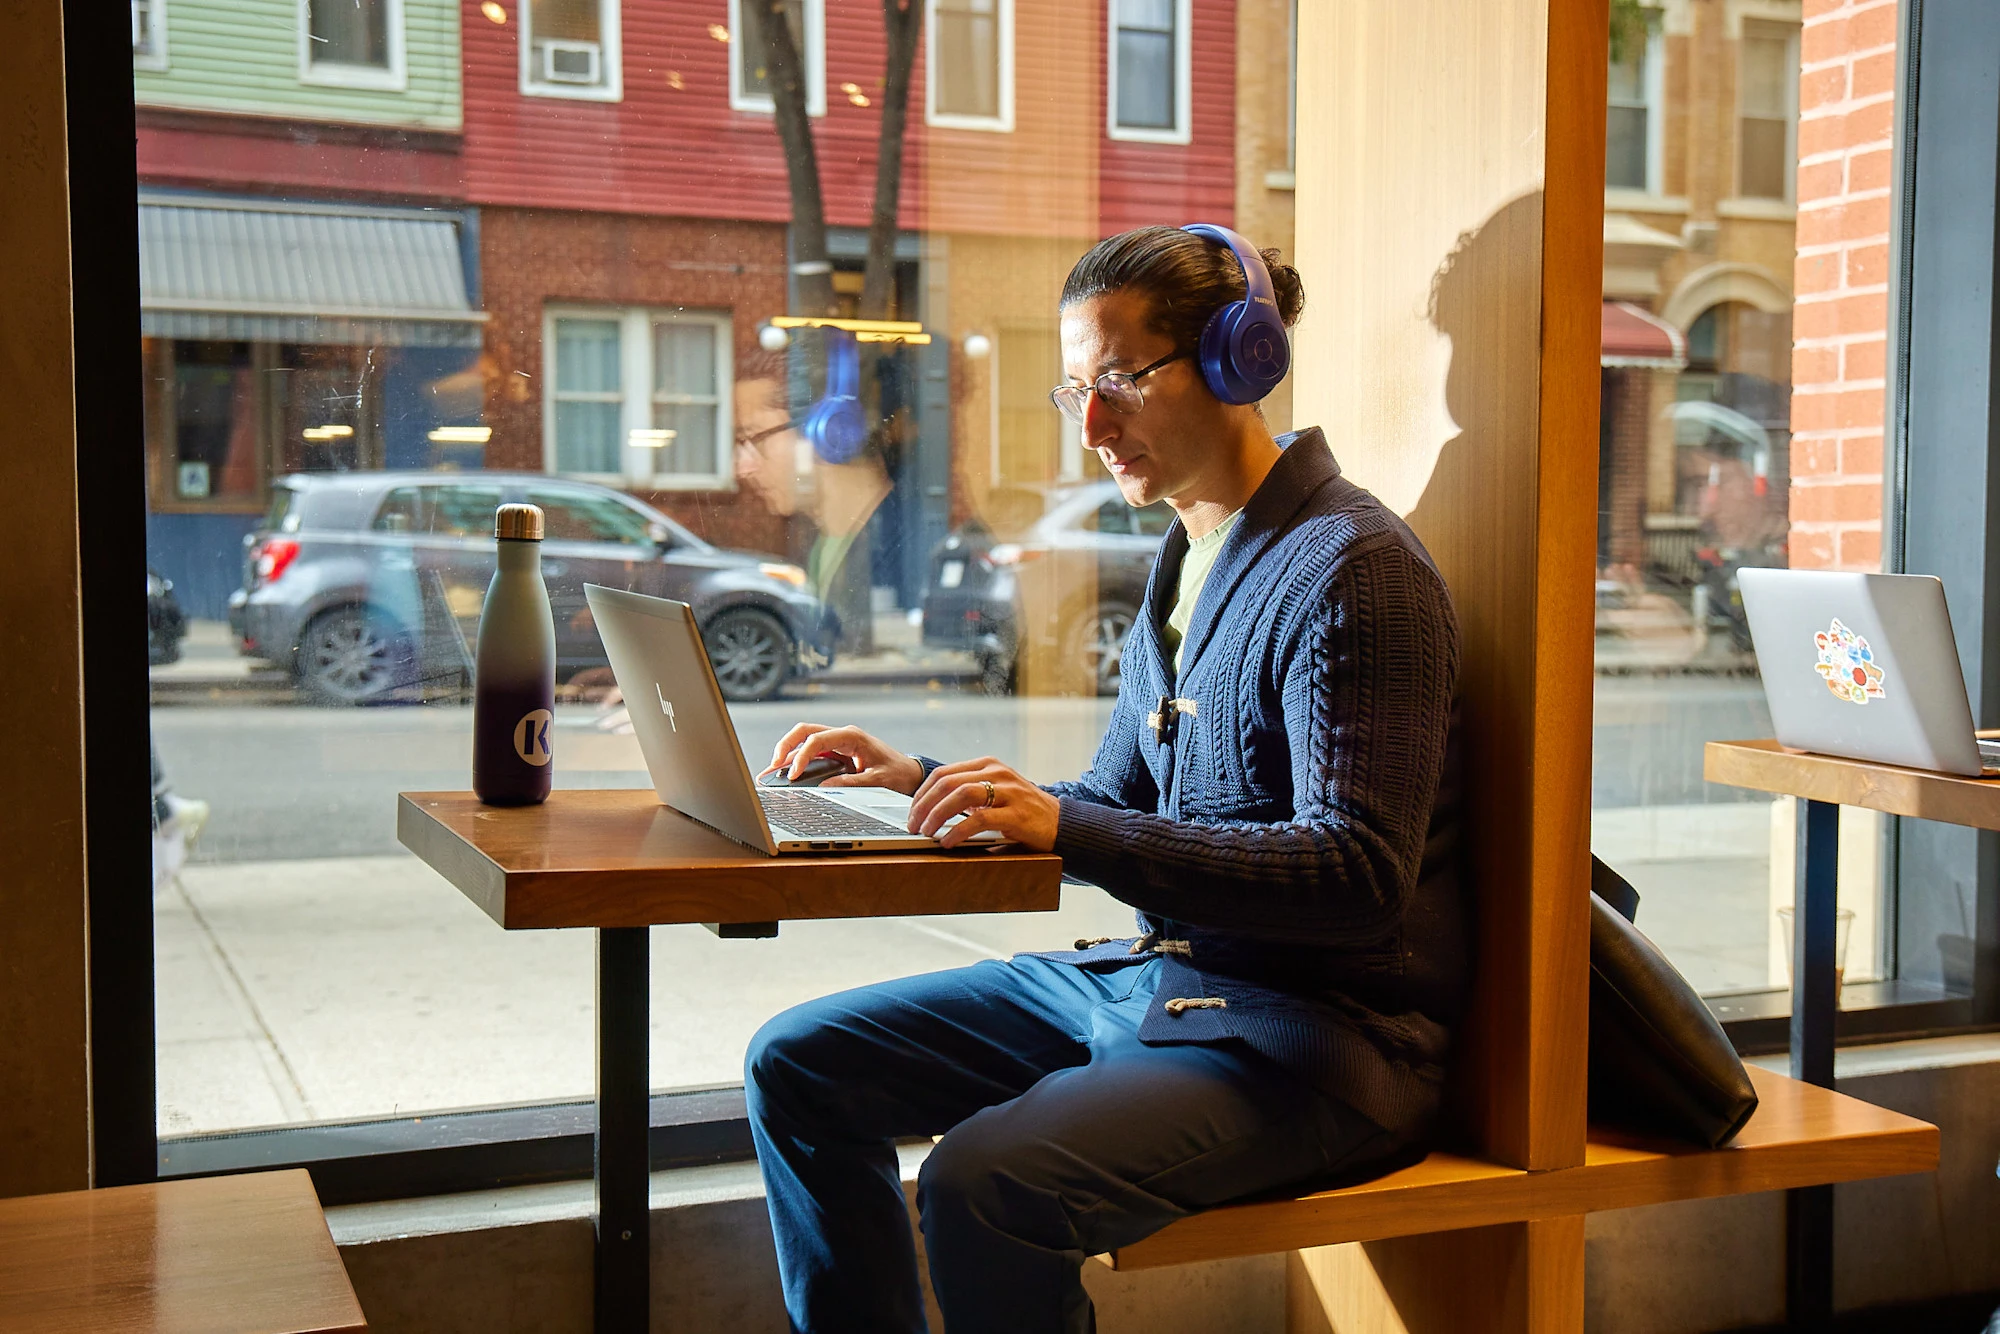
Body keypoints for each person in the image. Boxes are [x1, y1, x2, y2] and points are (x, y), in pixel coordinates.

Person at [743, 224, 1468, 1334]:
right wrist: (926, 783)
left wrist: (1062, 828)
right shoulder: (1185, 560)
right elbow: (1116, 803)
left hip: (1319, 1043)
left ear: (1239, 362)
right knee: (797, 1064)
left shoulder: (1353, 569)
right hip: (1165, 984)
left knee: (986, 1183)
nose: (1090, 426)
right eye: (1075, 388)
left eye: (1121, 381)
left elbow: (1356, 871)